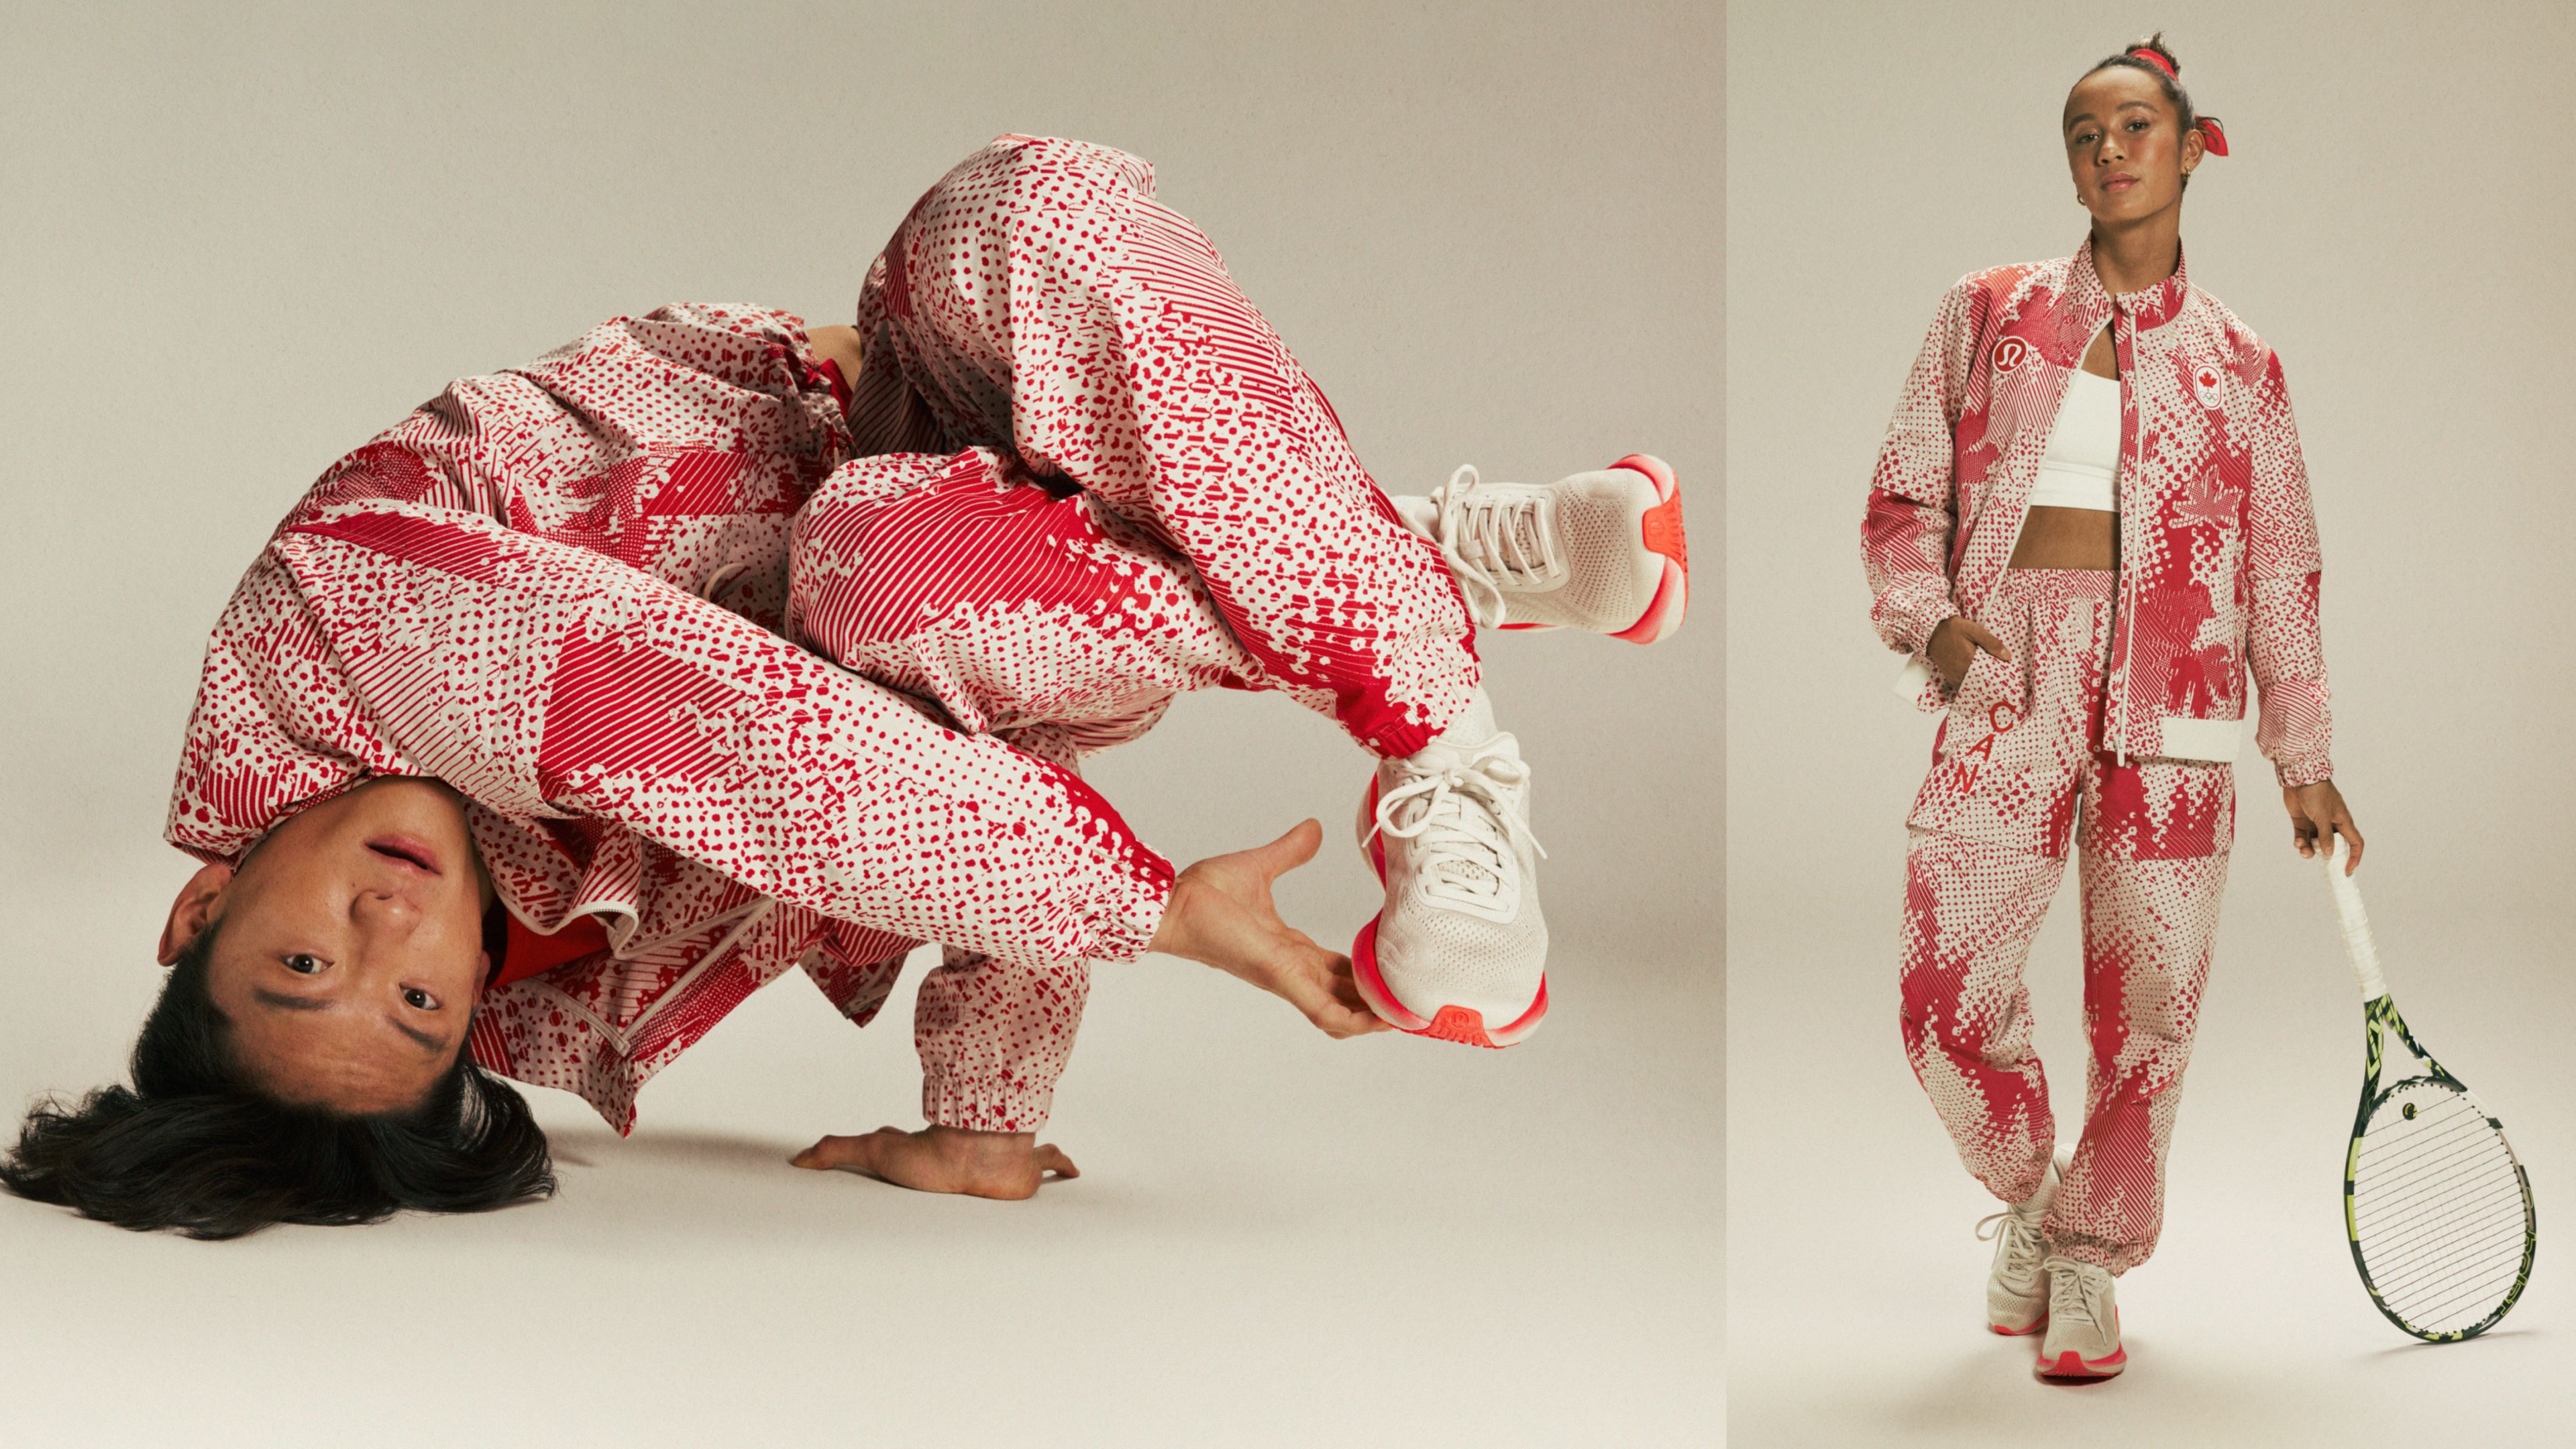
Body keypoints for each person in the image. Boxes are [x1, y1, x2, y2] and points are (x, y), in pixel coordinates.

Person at [2, 135, 1688, 1238]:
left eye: (303, 960)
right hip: (945, 577)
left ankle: (1418, 679)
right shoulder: (574, 964)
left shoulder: (324, 636)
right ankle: (1414, 582)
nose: (388, 933)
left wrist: (1163, 913)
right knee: (875, 567)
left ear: (198, 909)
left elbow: (762, 755)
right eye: (421, 1008)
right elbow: (937, 765)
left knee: (1040, 202)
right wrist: (989, 1119)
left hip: (893, 384)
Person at [1860, 38, 2360, 1380]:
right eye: (2084, 132)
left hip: (2177, 713)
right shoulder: (1990, 312)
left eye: (2137, 126)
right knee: (1941, 999)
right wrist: (1937, 630)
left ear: (2195, 147)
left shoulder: (2244, 364)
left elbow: (2282, 564)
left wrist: (2303, 757)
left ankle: (2087, 1267)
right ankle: (2036, 1199)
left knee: (2149, 1019)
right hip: (2009, 681)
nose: (2109, 151)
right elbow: (1906, 496)